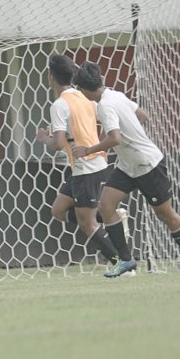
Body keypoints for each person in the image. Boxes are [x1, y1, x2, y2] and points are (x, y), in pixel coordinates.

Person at [72, 61, 180, 279]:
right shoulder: (117, 95)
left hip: (147, 165)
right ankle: (126, 260)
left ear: (84, 90)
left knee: (165, 214)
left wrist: (88, 150)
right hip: (128, 165)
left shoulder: (105, 105)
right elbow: (142, 115)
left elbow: (115, 138)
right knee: (106, 206)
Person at [35, 54, 120, 274]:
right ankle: (110, 215)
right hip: (93, 162)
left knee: (86, 223)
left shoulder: (60, 104)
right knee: (58, 209)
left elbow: (57, 143)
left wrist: (44, 137)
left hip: (86, 167)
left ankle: (121, 263)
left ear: (50, 77)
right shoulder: (84, 96)